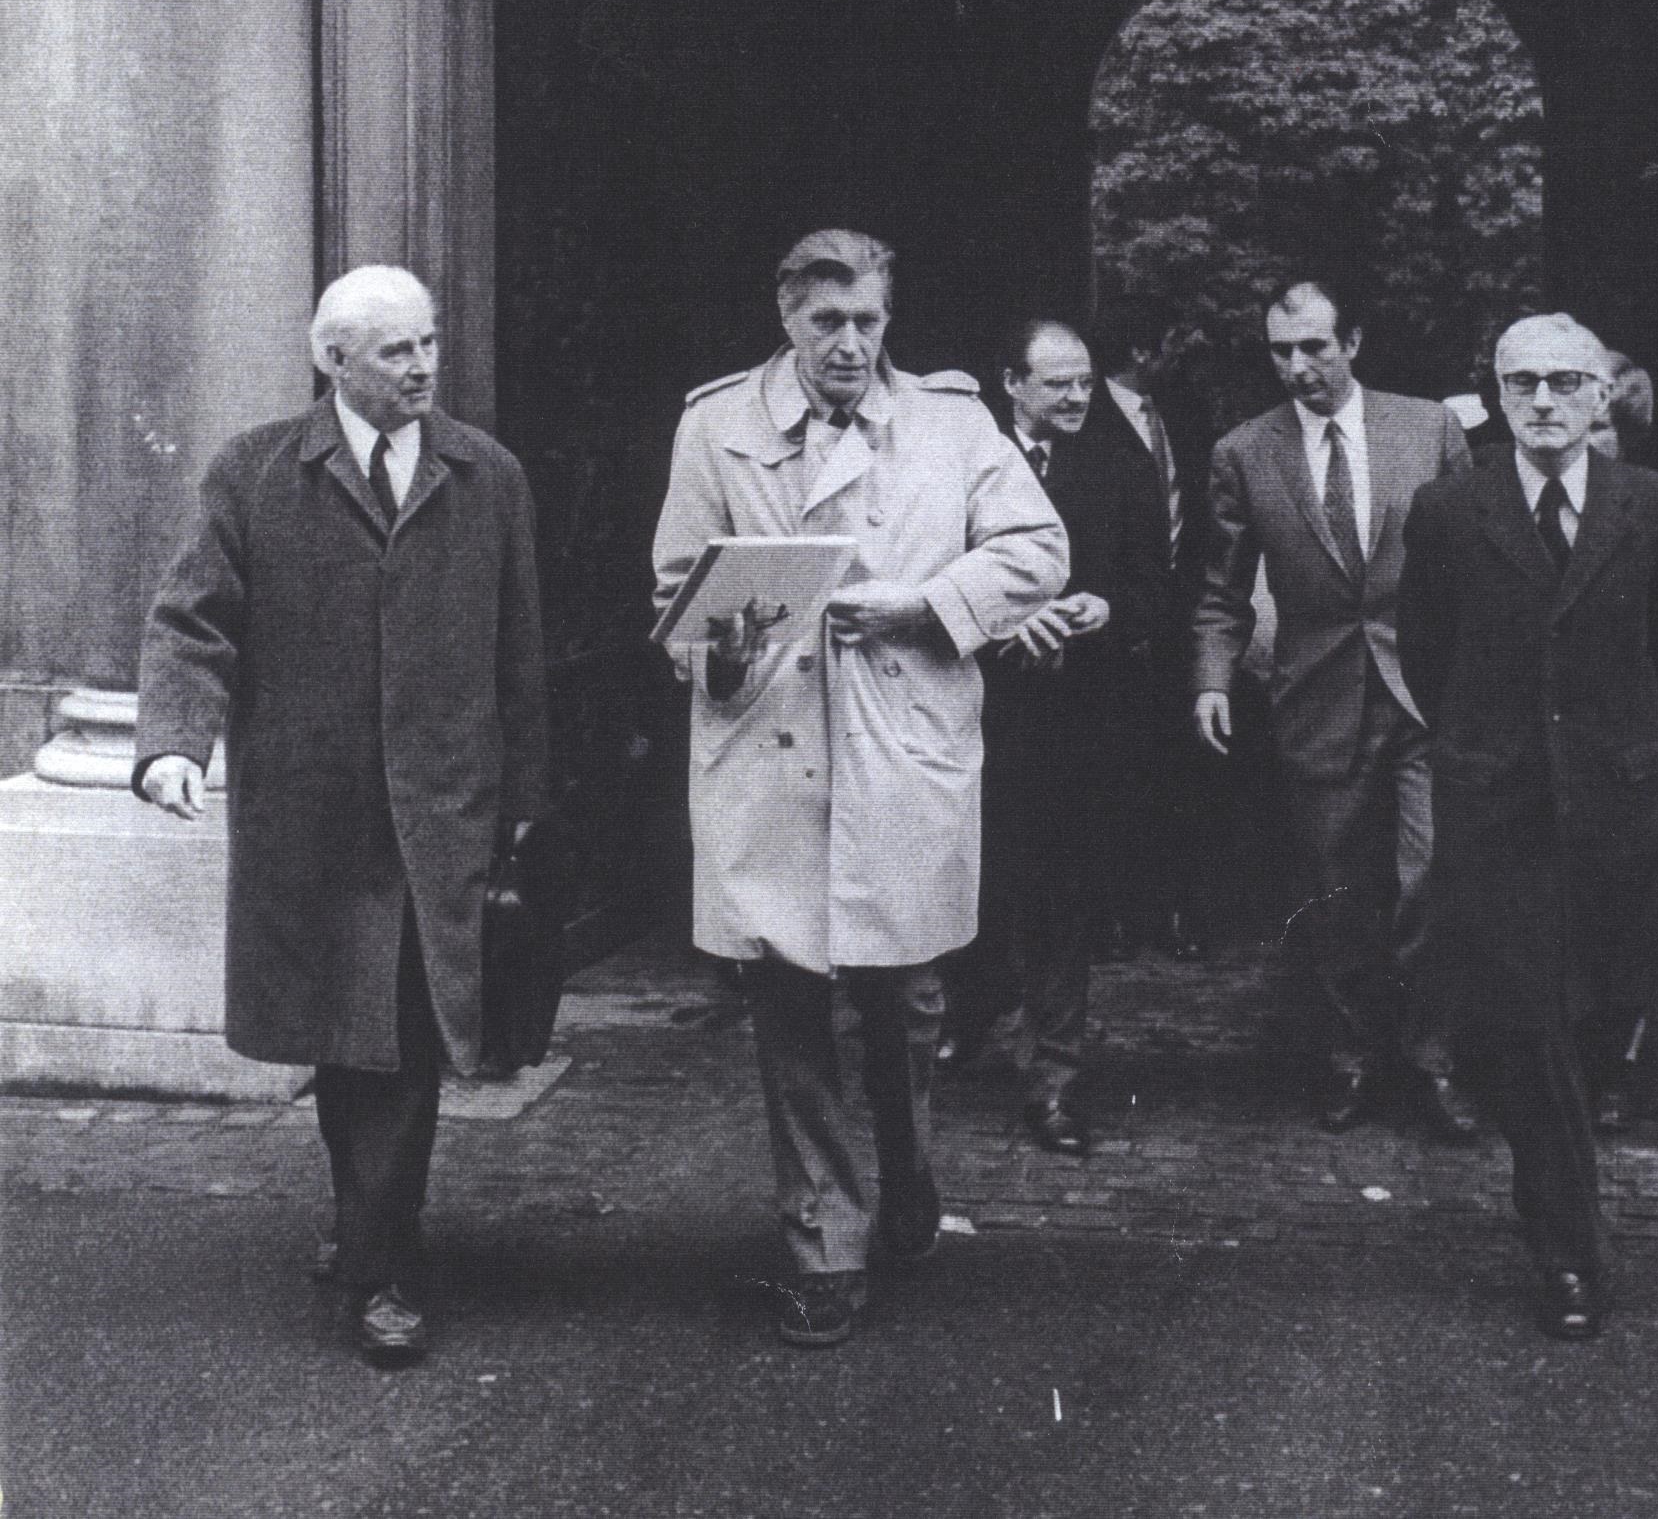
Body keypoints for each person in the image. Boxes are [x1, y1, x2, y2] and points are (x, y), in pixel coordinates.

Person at [651, 230, 1068, 1349]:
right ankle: (823, 1243)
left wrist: (926, 604)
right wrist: (719, 641)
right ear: (787, 317)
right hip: (770, 747)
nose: (849, 344)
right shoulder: (716, 427)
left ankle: (907, 1166)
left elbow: (1036, 548)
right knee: (788, 1002)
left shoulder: (951, 422)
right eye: (827, 322)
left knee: (905, 995)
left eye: (868, 322)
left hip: (900, 742)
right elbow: (674, 589)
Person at [135, 266, 549, 1368]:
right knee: (344, 1041)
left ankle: (385, 1269)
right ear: (332, 361)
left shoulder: (488, 474)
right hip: (310, 821)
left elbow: (521, 655)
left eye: (428, 344)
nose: (422, 368)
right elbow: (191, 621)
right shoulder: (254, 472)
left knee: (401, 1045)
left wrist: (527, 808)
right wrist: (173, 745)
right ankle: (368, 1221)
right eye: (395, 351)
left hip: (439, 819)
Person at [1398, 313, 1658, 1342]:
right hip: (1496, 809)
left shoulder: (1656, 508)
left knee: (1590, 1022)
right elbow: (1427, 653)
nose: (1542, 401)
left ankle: (1558, 1200)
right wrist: (1483, 749)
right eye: (1522, 382)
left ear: (1601, 395)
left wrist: (1618, 748)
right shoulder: (1448, 511)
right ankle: (1569, 1253)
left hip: (1616, 808)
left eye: (1565, 382)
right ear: (1494, 395)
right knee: (1524, 1024)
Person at [1191, 269, 1478, 1140]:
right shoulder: (1244, 452)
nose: (1297, 367)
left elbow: (1476, 567)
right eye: (1280, 352)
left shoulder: (1428, 429)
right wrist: (1211, 679)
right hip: (1317, 697)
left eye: (1314, 346)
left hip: (1424, 693)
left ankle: (1433, 1058)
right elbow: (1222, 589)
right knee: (1337, 892)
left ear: (1351, 342)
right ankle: (1351, 1056)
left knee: (1432, 877)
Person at [943, 316, 1174, 1152]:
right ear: (1011, 384)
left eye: (1085, 382)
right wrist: (1001, 620)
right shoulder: (958, 464)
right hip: (970, 713)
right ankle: (966, 1018)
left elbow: (1159, 590)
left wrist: (1107, 608)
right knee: (970, 883)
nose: (1079, 397)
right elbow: (927, 575)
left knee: (1062, 899)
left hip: (1076, 724)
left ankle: (1055, 1080)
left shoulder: (1120, 465)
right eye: (1058, 384)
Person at [1088, 294, 1210, 959]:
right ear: (1141, 350)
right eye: (1173, 338)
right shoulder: (1083, 416)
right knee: (1108, 774)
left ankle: (1176, 912)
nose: (1186, 349)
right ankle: (1109, 917)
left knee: (1179, 772)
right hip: (1107, 630)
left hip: (1176, 626)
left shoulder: (1183, 414)